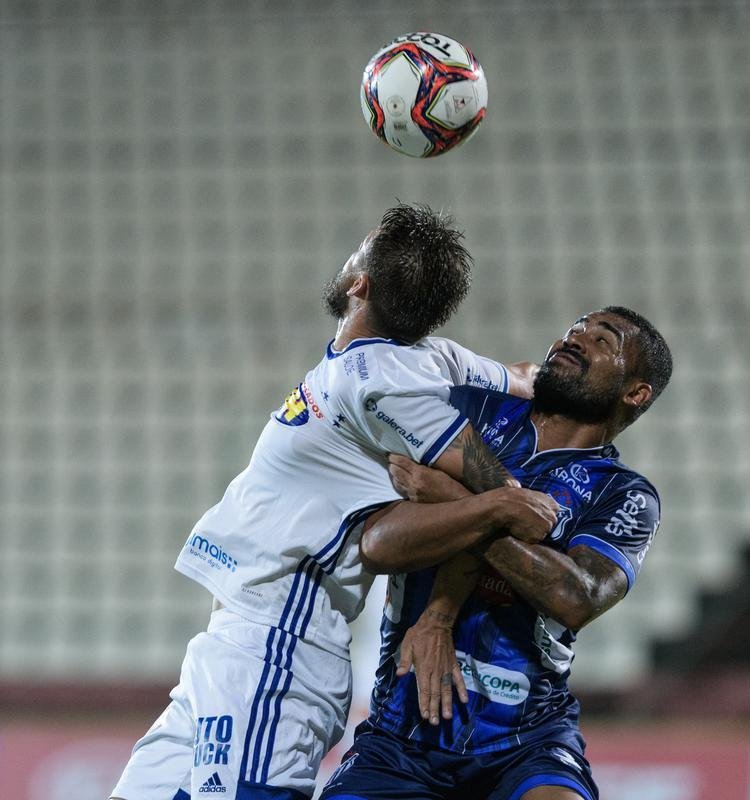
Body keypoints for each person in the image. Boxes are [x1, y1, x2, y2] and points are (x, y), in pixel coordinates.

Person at [109, 203, 556, 800]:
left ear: (359, 284)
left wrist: (492, 498)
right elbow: (525, 377)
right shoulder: (425, 358)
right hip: (234, 641)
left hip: (278, 645)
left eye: (359, 249)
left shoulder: (378, 382)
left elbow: (500, 489)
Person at [320, 306, 673, 800]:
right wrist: (503, 513)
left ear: (635, 392)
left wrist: (455, 500)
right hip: (402, 734)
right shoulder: (465, 410)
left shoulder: (624, 494)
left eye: (602, 340)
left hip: (528, 740)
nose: (574, 338)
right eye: (574, 328)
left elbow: (575, 597)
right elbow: (379, 545)